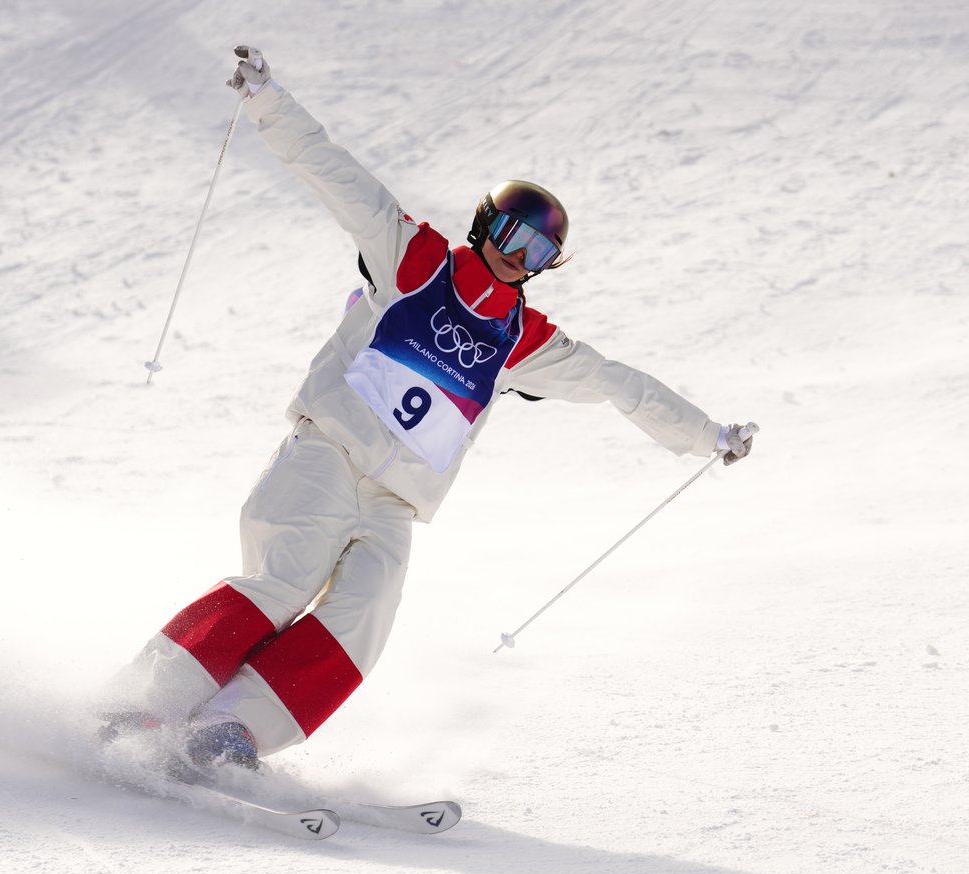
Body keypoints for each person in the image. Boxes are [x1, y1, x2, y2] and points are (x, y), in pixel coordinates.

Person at [101, 46, 755, 772]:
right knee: (283, 581)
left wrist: (709, 435)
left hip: (396, 501)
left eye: (537, 250)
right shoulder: (416, 260)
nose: (517, 255)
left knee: (362, 623)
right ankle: (138, 704)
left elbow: (616, 382)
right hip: (326, 454)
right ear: (484, 226)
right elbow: (336, 174)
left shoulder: (522, 340)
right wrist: (266, 99)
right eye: (510, 233)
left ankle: (227, 733)